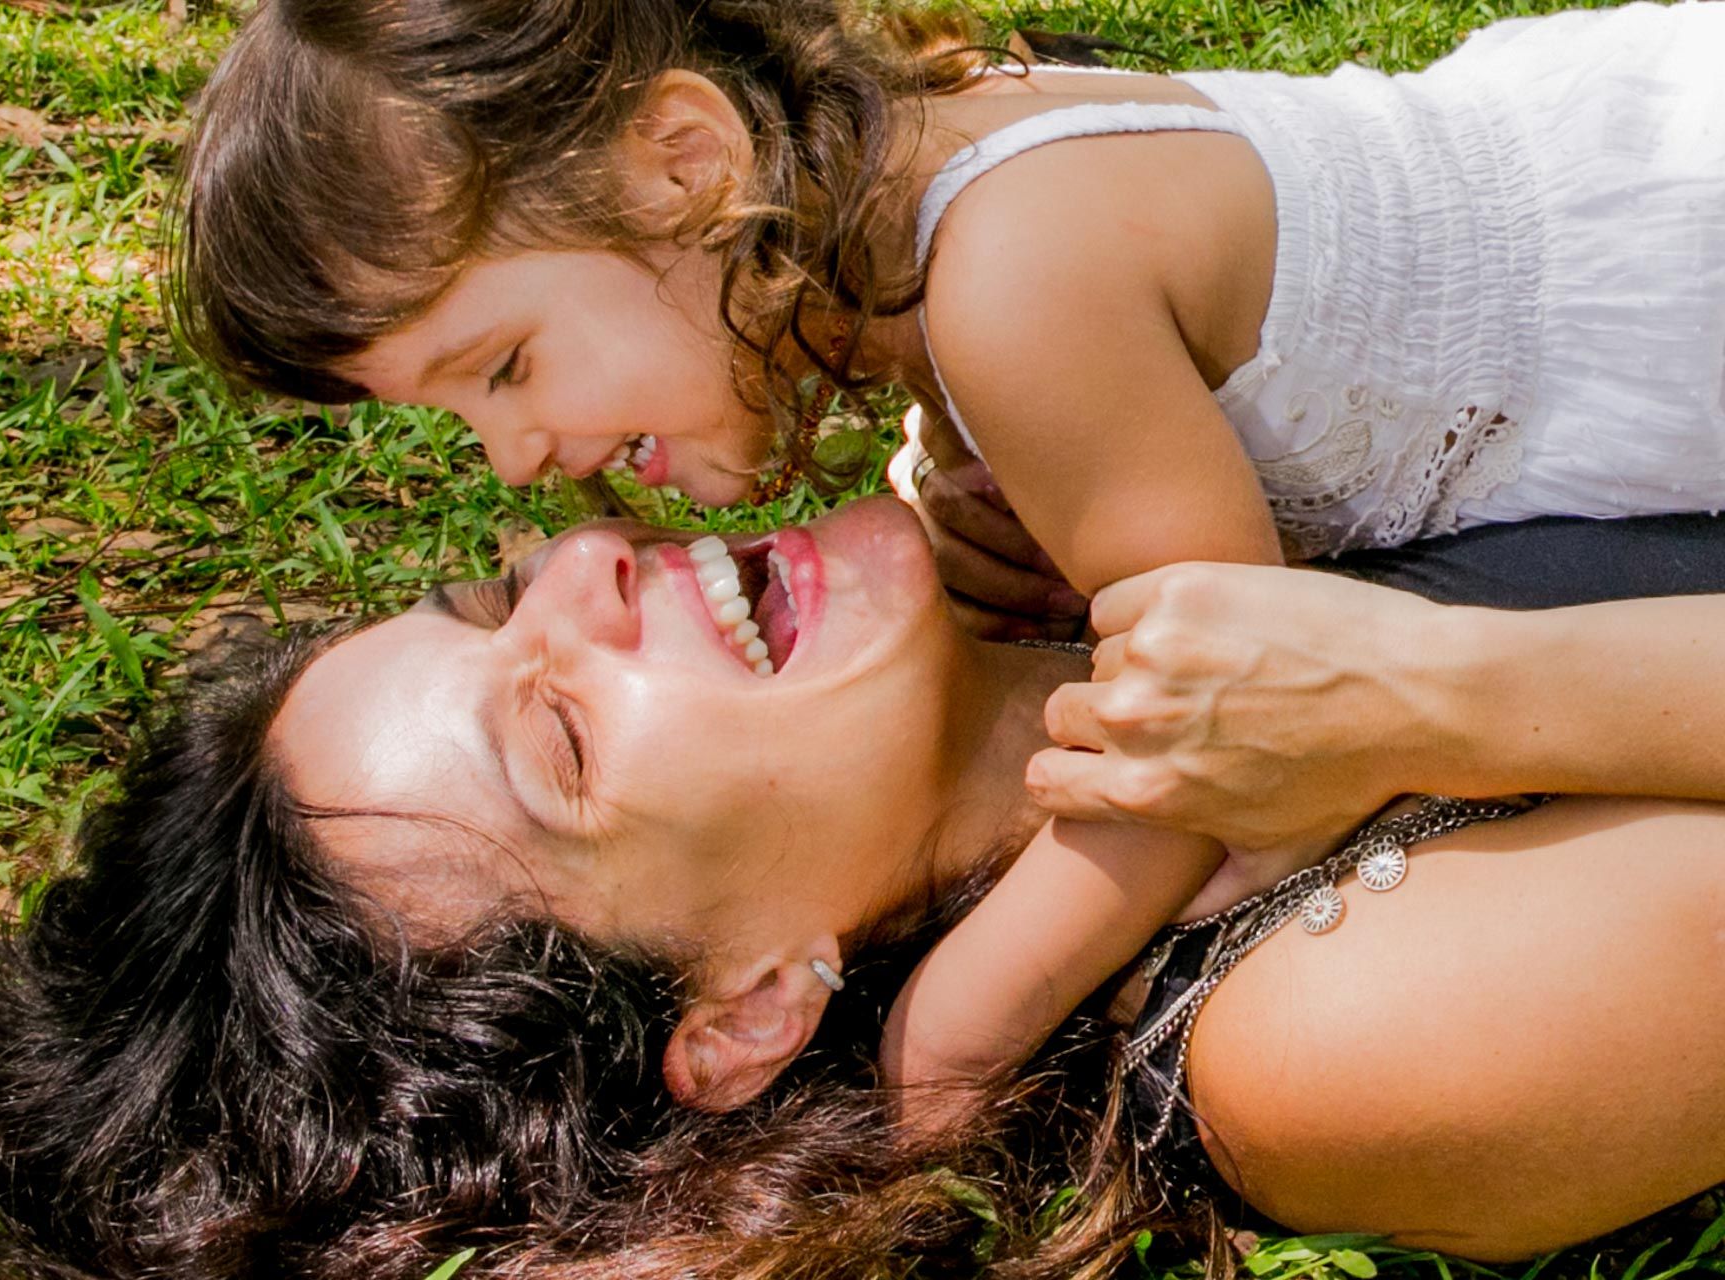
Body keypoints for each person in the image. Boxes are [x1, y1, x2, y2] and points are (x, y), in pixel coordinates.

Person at [164, 0, 1725, 1109]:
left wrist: (964, 1029)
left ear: (684, 167)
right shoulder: (949, 247)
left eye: (505, 368)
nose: (531, 478)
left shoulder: (1009, 294)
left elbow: (1208, 736)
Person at [0, 499, 1725, 1280]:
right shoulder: (1340, 1047)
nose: (589, 563)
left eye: (491, 596)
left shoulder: (1065, 468)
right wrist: (1431, 697)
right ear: (750, 1006)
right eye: (565, 743)